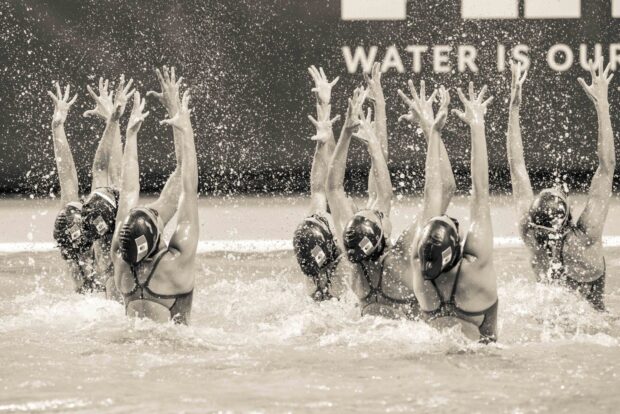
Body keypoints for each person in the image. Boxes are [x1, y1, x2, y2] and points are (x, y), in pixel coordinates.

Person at [506, 59, 615, 311]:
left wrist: (514, 108)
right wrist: (602, 105)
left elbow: (517, 169)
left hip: (548, 321)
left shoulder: (530, 233)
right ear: (567, 217)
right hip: (593, 325)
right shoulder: (586, 236)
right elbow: (606, 166)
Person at [325, 64, 421, 319]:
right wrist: (379, 108)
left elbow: (333, 187)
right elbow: (384, 191)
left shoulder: (354, 248)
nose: (377, 212)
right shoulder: (396, 259)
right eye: (378, 216)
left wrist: (347, 131)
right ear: (382, 237)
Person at [410, 82, 498, 343]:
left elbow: (432, 191)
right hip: (483, 359)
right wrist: (477, 125)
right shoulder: (475, 268)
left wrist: (433, 132)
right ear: (457, 249)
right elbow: (480, 192)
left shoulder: (418, 263)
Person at [112, 80, 198, 325]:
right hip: (177, 349)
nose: (157, 212)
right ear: (158, 235)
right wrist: (184, 127)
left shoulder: (120, 262)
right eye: (156, 217)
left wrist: (131, 136)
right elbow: (188, 187)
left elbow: (127, 192)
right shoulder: (175, 265)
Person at [48, 78, 125, 300]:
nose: (82, 203)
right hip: (117, 302)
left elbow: (67, 178)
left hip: (89, 305)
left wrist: (57, 128)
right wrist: (114, 122)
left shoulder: (72, 245)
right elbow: (109, 171)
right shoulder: (100, 232)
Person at [293, 66, 347, 301]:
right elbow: (334, 183)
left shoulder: (311, 270)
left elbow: (318, 188)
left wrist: (323, 111)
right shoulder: (349, 260)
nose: (318, 214)